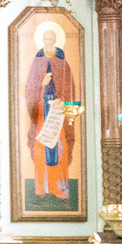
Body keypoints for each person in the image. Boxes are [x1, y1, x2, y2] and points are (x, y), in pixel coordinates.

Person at [22, 19, 79, 209]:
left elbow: (69, 87)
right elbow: (29, 88)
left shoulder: (63, 63)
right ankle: (42, 189)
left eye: (51, 38)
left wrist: (62, 101)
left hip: (58, 113)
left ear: (55, 40)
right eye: (45, 38)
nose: (48, 41)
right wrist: (42, 84)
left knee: (61, 147)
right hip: (41, 113)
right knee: (41, 148)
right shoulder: (37, 61)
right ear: (42, 41)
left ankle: (60, 189)